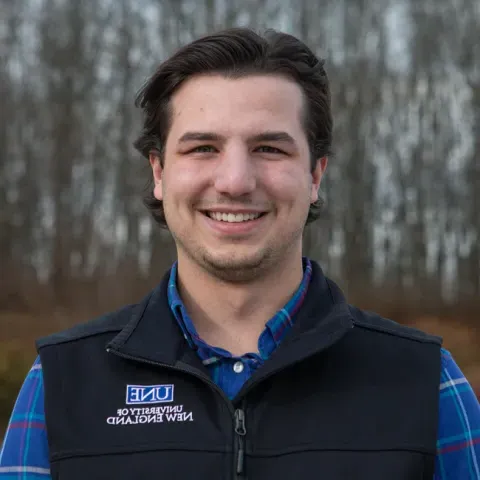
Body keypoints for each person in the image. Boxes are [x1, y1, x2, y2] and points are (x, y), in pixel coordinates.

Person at [1, 27, 479, 480]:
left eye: (269, 148)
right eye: (203, 148)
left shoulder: (426, 384)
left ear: (315, 176)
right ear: (159, 173)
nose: (234, 181)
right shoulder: (62, 384)